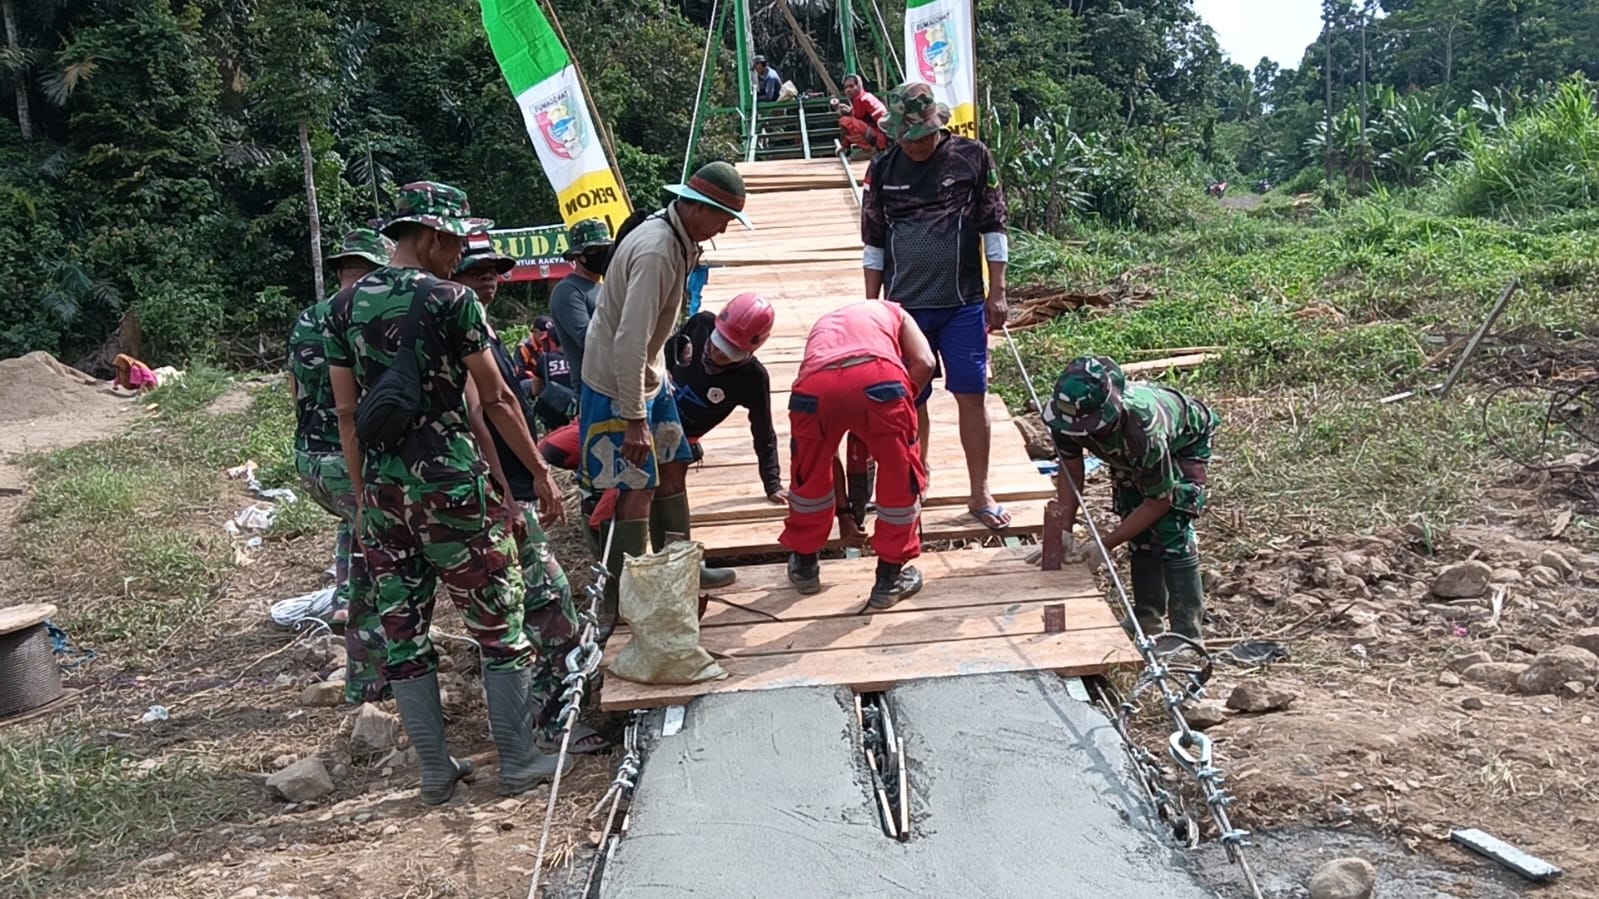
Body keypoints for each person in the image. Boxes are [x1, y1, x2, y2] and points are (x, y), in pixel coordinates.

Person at [324, 181, 565, 805]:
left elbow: (347, 414)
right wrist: (537, 473)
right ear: (429, 237)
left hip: (381, 493)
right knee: (497, 620)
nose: (460, 254)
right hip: (453, 487)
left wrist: (364, 497)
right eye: (455, 242)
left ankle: (436, 771)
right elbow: (497, 397)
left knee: (404, 632)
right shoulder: (452, 300)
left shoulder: (342, 308)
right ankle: (518, 758)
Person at [450, 244, 606, 753]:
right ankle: (553, 722)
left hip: (508, 488)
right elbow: (481, 415)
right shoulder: (461, 331)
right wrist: (514, 491)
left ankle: (550, 714)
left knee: (539, 601)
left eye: (495, 271)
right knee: (548, 604)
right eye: (477, 272)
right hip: (504, 492)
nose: (490, 280)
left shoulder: (484, 330)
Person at [579, 160, 751, 606]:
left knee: (674, 464)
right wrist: (634, 416)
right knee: (636, 487)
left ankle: (681, 570)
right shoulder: (657, 250)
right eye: (723, 219)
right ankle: (629, 597)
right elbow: (628, 338)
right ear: (697, 207)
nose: (724, 230)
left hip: (649, 376)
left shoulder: (679, 237)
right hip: (619, 385)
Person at [862, 81, 1011, 532]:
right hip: (906, 310)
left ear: (937, 126)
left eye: (923, 136)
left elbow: (994, 223)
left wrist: (998, 289)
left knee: (972, 394)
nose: (918, 146)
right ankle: (915, 480)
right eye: (909, 139)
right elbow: (873, 242)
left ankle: (980, 491)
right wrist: (872, 309)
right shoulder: (883, 168)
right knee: (910, 397)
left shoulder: (972, 156)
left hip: (963, 302)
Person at [1041, 356, 1220, 643]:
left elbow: (1159, 501)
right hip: (1130, 453)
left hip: (1182, 444)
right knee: (1136, 528)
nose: (1080, 432)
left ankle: (1186, 636)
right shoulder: (1065, 419)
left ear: (1109, 412)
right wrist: (1063, 528)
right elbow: (1071, 470)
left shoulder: (1143, 428)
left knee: (1171, 527)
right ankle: (1147, 620)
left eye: (1088, 427)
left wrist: (1104, 545)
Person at [285, 228, 393, 704]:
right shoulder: (362, 318)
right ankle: (368, 678)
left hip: (309, 457)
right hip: (345, 457)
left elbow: (294, 389)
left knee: (355, 526)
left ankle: (343, 597)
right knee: (379, 560)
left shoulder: (308, 317)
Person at [781, 299, 936, 609]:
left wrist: (843, 512)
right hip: (880, 379)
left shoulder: (824, 324)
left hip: (816, 386)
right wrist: (901, 401)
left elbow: (829, 457)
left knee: (808, 476)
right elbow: (926, 363)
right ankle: (888, 580)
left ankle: (805, 566)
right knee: (898, 479)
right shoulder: (896, 311)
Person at [667, 292, 785, 503]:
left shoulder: (753, 378)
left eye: (729, 352)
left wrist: (773, 484)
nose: (717, 354)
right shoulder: (700, 324)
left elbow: (763, 431)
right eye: (716, 344)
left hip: (685, 436)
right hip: (659, 408)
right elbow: (667, 351)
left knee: (669, 489)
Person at [548, 218, 611, 395]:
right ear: (579, 256)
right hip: (593, 388)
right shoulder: (568, 291)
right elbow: (589, 340)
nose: (602, 254)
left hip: (617, 382)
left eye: (605, 249)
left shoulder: (604, 287)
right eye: (595, 250)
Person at [832, 73, 888, 158]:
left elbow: (852, 123)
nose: (848, 90)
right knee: (847, 121)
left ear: (859, 86)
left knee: (845, 121)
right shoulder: (866, 97)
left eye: (851, 86)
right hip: (882, 137)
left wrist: (844, 146)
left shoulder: (861, 100)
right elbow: (861, 119)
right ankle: (872, 149)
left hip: (881, 138)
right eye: (846, 87)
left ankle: (870, 150)